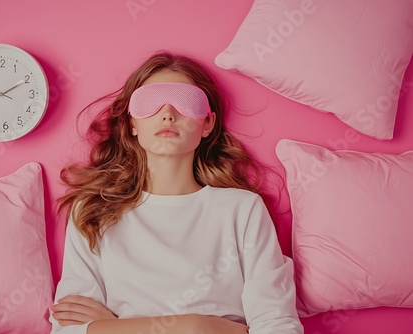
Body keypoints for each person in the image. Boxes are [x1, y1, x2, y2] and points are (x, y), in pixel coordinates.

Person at [49, 51, 303, 334]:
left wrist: (110, 327)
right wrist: (197, 326)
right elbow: (67, 330)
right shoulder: (93, 211)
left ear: (207, 124)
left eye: (185, 103)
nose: (168, 114)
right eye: (151, 103)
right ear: (133, 123)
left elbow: (276, 325)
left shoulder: (242, 209)